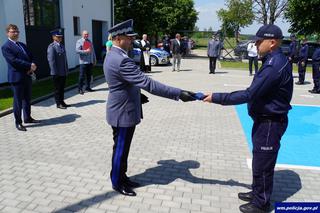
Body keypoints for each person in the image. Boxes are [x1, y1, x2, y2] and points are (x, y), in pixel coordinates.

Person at [203, 24, 293, 213]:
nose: (256, 44)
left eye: (259, 41)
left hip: (270, 122)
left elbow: (249, 94)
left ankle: (261, 203)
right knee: (259, 160)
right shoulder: (273, 59)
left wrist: (216, 98)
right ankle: (256, 192)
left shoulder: (273, 66)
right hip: (264, 120)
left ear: (272, 42)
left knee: (263, 164)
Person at [104, 19, 196, 197]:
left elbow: (121, 82)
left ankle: (121, 176)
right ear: (118, 38)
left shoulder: (114, 55)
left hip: (122, 108)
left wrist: (137, 94)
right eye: (129, 38)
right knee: (121, 149)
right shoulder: (122, 59)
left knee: (122, 149)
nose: (132, 41)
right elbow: (148, 83)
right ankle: (117, 182)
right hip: (123, 112)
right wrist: (178, 93)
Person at [1, 24, 40, 131]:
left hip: (27, 75)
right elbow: (13, 61)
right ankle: (18, 122)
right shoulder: (6, 47)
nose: (16, 33)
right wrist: (29, 65)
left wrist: (32, 65)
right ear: (7, 33)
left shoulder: (22, 45)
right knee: (18, 101)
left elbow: (30, 56)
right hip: (16, 77)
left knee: (27, 99)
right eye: (13, 31)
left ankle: (28, 118)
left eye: (17, 31)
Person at [47, 29, 70, 109]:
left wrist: (66, 69)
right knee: (57, 89)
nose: (60, 38)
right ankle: (58, 103)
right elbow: (51, 61)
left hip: (63, 71)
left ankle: (62, 101)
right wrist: (54, 72)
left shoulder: (61, 46)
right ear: (54, 37)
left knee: (62, 88)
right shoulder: (52, 47)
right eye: (58, 36)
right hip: (56, 72)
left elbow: (64, 60)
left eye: (61, 37)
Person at [76, 30, 97, 94]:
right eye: (85, 34)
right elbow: (77, 51)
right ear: (82, 35)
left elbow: (93, 51)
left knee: (89, 76)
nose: (86, 35)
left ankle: (88, 87)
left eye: (87, 34)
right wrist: (85, 51)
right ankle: (80, 89)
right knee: (82, 76)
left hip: (89, 62)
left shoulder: (89, 41)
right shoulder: (79, 41)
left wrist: (94, 59)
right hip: (83, 62)